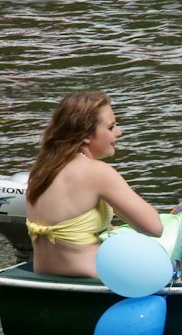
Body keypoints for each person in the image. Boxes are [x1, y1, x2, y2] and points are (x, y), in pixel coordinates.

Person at [25, 90, 163, 277]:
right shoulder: (97, 172)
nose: (118, 132)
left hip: (43, 277)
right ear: (86, 136)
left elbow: (72, 226)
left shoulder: (40, 170)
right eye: (111, 127)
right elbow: (154, 227)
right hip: (92, 280)